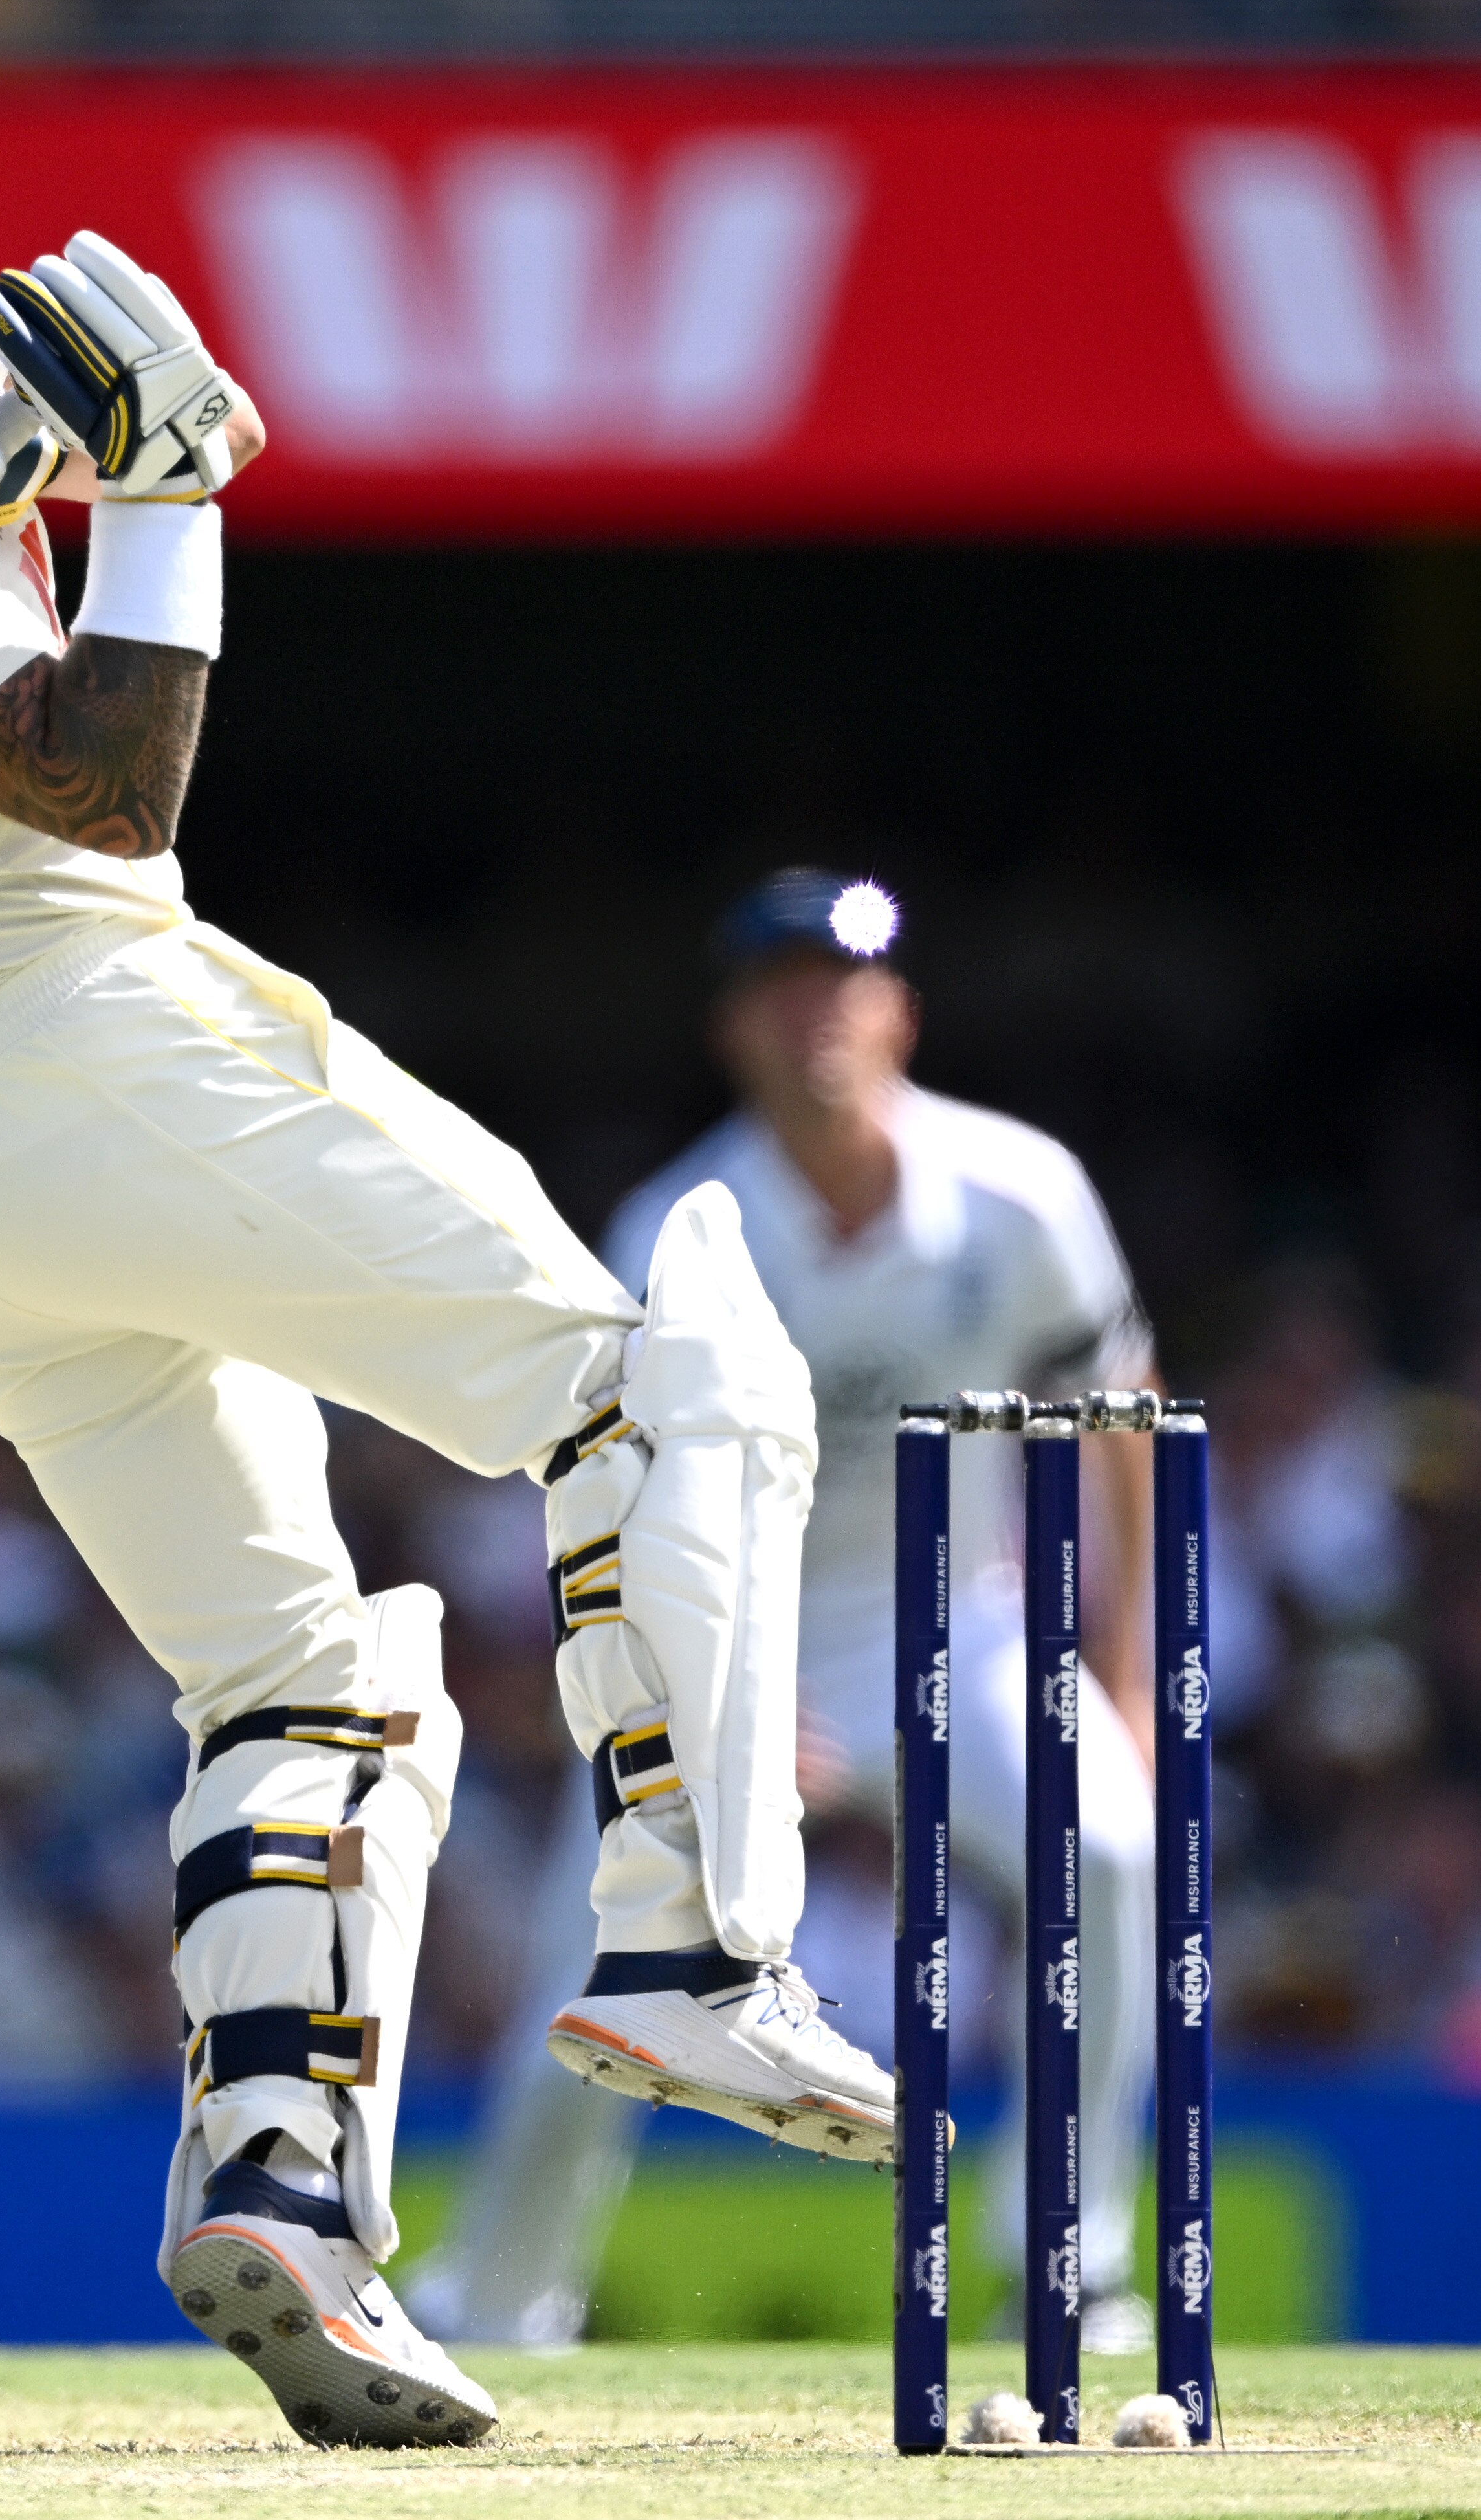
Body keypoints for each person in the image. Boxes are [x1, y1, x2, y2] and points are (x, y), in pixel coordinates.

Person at [0, 0, 892, 2446]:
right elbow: (107, 793)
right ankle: (698, 1945)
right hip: (95, 1048)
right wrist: (169, 487)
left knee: (308, 1676)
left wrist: (34, 425)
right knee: (656, 1386)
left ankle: (280, 2188)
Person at [406, 868, 1161, 2355]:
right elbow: (621, 1507)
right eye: (782, 989)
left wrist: (1124, 1678)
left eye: (844, 984)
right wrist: (720, 1712)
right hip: (734, 1656)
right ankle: (498, 2303)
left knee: (1118, 1844)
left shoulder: (1021, 1195)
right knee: (599, 1973)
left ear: (901, 1015)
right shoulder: (678, 1226)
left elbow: (1119, 1420)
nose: (816, 1013)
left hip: (961, 1632)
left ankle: (1071, 2263)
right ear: (733, 1030)